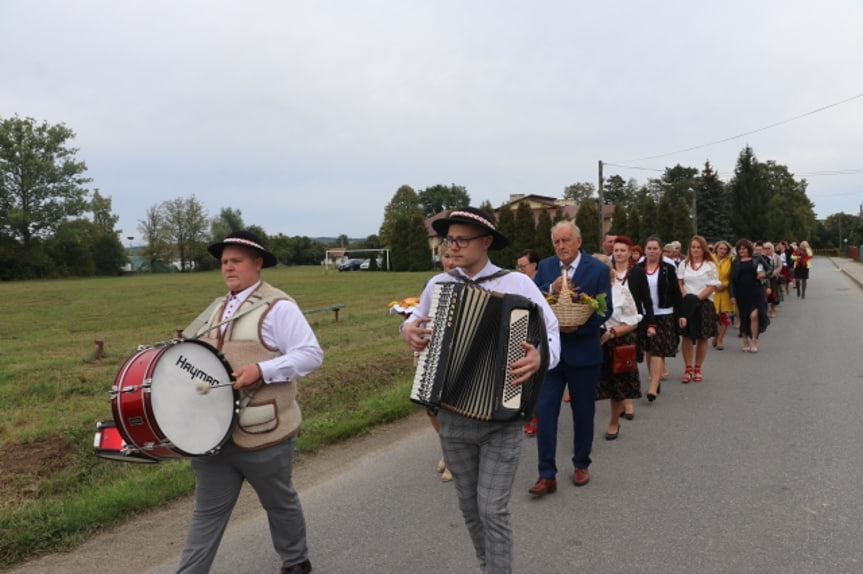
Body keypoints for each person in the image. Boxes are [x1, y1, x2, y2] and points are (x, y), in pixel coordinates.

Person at [400, 207, 559, 574]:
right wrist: (406, 331)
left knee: (492, 509)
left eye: (460, 240)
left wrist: (540, 358)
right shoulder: (438, 286)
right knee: (469, 508)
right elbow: (413, 321)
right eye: (448, 239)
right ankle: (489, 566)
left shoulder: (517, 285)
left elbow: (550, 333)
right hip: (452, 412)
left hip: (502, 419)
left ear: (485, 242)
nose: (451, 247)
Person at [177, 230, 324, 574]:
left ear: (257, 264)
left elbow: (311, 355)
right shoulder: (215, 308)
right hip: (214, 436)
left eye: (236, 261)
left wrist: (263, 368)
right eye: (224, 262)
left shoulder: (279, 306)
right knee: (207, 514)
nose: (228, 267)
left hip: (264, 432)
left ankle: (295, 562)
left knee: (279, 502)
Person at [528, 221, 612, 496]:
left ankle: (581, 464)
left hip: (584, 353)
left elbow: (604, 309)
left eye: (565, 241)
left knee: (583, 413)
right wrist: (550, 290)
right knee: (546, 411)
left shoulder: (597, 269)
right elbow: (534, 301)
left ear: (578, 241)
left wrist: (580, 327)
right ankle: (546, 474)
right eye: (556, 242)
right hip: (552, 354)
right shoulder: (547, 267)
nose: (561, 247)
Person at [596, 239, 644, 436]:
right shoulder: (584, 291)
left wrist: (612, 333)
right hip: (592, 342)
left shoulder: (621, 291)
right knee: (589, 387)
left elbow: (633, 321)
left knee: (616, 387)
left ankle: (614, 422)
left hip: (615, 341)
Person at [636, 236, 682, 401]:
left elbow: (676, 292)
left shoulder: (667, 268)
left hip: (664, 313)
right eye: (649, 248)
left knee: (658, 349)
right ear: (645, 249)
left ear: (661, 250)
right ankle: (654, 378)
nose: (652, 251)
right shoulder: (638, 268)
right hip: (644, 313)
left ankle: (653, 387)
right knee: (648, 348)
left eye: (655, 248)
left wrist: (681, 314)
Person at [425, 245, 457, 482]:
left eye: (454, 257)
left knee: (451, 408)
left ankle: (454, 458)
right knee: (431, 407)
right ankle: (447, 448)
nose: (450, 261)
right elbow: (421, 317)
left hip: (459, 356)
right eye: (446, 257)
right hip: (434, 352)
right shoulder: (434, 283)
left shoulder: (471, 283)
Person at [677, 235, 721, 383]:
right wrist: (687, 297)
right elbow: (680, 282)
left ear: (703, 249)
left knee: (703, 336)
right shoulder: (684, 264)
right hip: (688, 301)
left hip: (704, 302)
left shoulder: (710, 265)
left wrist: (697, 298)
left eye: (698, 247)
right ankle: (688, 367)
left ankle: (698, 367)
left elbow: (712, 285)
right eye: (693, 247)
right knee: (687, 335)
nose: (695, 250)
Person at [515, 248, 541, 436]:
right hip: (520, 334)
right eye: (518, 266)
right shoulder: (516, 284)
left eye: (523, 266)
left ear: (534, 265)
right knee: (523, 378)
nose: (520, 269)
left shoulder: (542, 284)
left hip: (538, 337)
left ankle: (535, 416)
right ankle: (525, 413)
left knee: (535, 380)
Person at [730, 239, 770, 353]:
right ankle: (745, 341)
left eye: (744, 248)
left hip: (756, 290)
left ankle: (754, 340)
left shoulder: (757, 258)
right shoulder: (736, 261)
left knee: (754, 316)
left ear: (748, 248)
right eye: (739, 249)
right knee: (743, 317)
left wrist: (764, 275)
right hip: (741, 292)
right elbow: (732, 280)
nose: (741, 251)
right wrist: (732, 295)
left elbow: (769, 269)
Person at [712, 240, 734, 350]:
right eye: (721, 248)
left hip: (724, 291)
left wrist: (725, 284)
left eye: (725, 249)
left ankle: (720, 339)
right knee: (712, 317)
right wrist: (713, 285)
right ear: (716, 249)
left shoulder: (730, 260)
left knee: (724, 317)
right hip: (711, 290)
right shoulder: (710, 259)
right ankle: (715, 336)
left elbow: (732, 276)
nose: (723, 251)